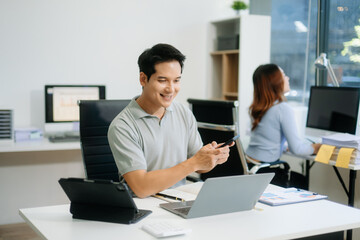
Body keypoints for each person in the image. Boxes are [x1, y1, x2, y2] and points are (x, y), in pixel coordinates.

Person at [108, 43, 232, 198]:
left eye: (176, 80)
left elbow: (199, 167)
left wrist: (211, 158)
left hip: (177, 199)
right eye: (162, 80)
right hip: (143, 206)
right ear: (143, 79)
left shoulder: (183, 113)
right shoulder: (122, 126)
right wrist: (193, 163)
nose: (171, 89)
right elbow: (141, 188)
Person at [246, 63, 321, 170]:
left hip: (249, 164)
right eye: (283, 75)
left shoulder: (258, 107)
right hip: (265, 169)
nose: (287, 78)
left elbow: (266, 139)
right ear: (275, 82)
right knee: (302, 182)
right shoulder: (282, 108)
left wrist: (284, 146)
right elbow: (297, 149)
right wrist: (317, 147)